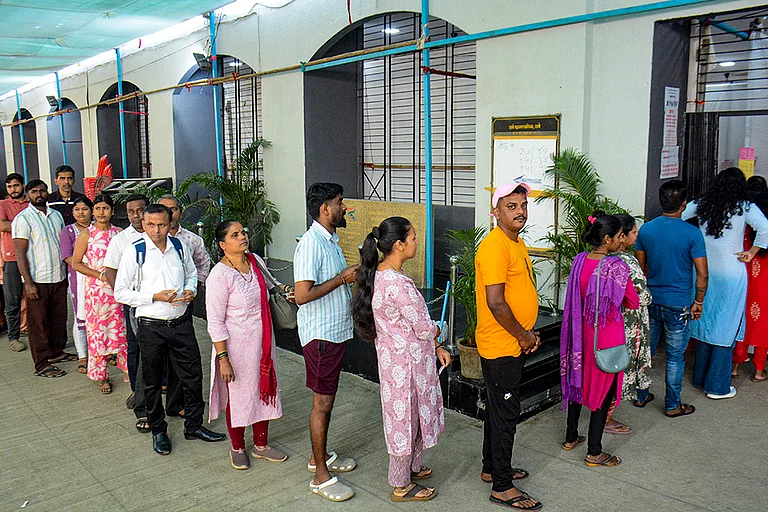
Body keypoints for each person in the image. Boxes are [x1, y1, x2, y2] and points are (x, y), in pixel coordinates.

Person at [113, 204, 226, 455]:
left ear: (170, 222)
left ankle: (194, 425)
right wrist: (154, 297)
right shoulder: (135, 251)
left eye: (161, 224)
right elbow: (120, 292)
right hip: (151, 325)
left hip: (181, 323)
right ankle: (158, 430)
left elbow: (190, 274)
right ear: (143, 223)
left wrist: (191, 290)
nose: (156, 230)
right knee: (152, 381)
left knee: (192, 375)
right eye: (150, 224)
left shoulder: (178, 246)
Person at [352, 217, 450, 503]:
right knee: (404, 422)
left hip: (398, 363)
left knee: (410, 418)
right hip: (407, 366)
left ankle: (412, 467)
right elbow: (422, 325)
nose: (417, 242)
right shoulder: (397, 284)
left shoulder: (380, 274)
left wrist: (434, 343)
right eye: (414, 237)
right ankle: (400, 484)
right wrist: (439, 330)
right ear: (399, 244)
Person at [475, 182, 541, 511]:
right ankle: (502, 486)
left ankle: (492, 467)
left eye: (522, 205)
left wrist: (527, 332)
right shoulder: (494, 247)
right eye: (511, 206)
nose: (520, 212)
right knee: (506, 414)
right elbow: (496, 303)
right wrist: (524, 335)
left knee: (498, 411)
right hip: (502, 344)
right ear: (496, 211)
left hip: (513, 341)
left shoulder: (516, 243)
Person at [293, 182, 358, 502]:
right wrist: (341, 279)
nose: (344, 207)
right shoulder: (311, 244)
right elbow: (302, 296)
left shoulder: (330, 240)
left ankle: (320, 455)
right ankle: (320, 475)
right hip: (321, 337)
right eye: (340, 202)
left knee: (326, 401)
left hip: (335, 332)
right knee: (322, 404)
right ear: (325, 209)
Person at [206, 220, 287, 470]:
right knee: (240, 396)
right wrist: (223, 358)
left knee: (264, 391)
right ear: (222, 244)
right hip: (235, 347)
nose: (242, 237)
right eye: (235, 235)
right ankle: (238, 447)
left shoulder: (255, 261)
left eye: (243, 233)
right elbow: (215, 321)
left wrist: (290, 290)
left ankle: (261, 445)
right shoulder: (219, 275)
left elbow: (272, 284)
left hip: (262, 343)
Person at [682, 168, 768, 399]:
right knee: (726, 326)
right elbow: (765, 228)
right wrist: (751, 252)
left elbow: (678, 216)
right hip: (731, 273)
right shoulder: (744, 207)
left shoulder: (702, 203)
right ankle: (718, 386)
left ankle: (700, 378)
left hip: (703, 271)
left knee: (704, 321)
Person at [561, 212, 638, 468]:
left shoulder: (580, 260)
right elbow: (632, 301)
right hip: (605, 338)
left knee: (577, 384)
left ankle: (571, 437)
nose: (621, 241)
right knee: (602, 394)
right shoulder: (616, 267)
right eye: (618, 237)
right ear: (607, 239)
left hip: (579, 335)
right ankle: (595, 452)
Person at [635, 180, 708, 416]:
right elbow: (702, 274)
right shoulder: (692, 234)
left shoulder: (646, 229)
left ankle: (641, 395)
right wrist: (698, 302)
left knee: (647, 350)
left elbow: (640, 268)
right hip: (678, 303)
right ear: (684, 205)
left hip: (651, 300)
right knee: (675, 358)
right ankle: (672, 405)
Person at [12, 179, 73, 377]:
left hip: (58, 276)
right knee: (37, 323)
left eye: (43, 191)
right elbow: (20, 254)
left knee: (58, 319)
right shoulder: (23, 219)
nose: (39, 194)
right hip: (37, 279)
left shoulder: (56, 216)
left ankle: (56, 352)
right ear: (28, 194)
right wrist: (28, 283)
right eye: (35, 191)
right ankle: (41, 364)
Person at [158, 194, 211, 418]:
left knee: (183, 358)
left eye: (174, 209)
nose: (170, 213)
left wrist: (194, 288)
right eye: (164, 209)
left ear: (180, 212)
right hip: (155, 309)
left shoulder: (191, 240)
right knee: (154, 358)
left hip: (183, 306)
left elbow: (203, 265)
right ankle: (145, 404)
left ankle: (178, 403)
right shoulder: (145, 241)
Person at [72, 194, 128, 394]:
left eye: (105, 208)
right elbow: (76, 263)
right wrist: (100, 275)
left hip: (118, 289)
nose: (101, 212)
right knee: (97, 333)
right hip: (96, 292)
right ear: (93, 211)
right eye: (98, 208)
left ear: (112, 210)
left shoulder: (119, 233)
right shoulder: (87, 234)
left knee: (121, 330)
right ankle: (102, 376)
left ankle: (127, 369)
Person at [603, 214, 653, 436]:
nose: (637, 236)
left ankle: (605, 415)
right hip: (629, 325)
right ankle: (607, 418)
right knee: (619, 370)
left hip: (612, 323)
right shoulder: (628, 262)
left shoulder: (601, 258)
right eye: (634, 232)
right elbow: (642, 297)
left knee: (611, 369)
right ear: (621, 237)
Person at [104, 194, 147, 415]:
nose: (136, 216)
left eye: (140, 210)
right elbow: (110, 271)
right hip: (133, 304)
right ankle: (137, 391)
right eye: (131, 211)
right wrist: (123, 296)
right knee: (135, 346)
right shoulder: (121, 240)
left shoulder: (158, 233)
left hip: (157, 302)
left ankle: (162, 384)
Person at [733, 175, 768, 382]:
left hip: (744, 276)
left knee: (741, 318)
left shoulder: (743, 221)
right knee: (763, 321)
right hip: (764, 281)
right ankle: (758, 370)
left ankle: (735, 366)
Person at [60, 196, 93, 374]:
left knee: (102, 315)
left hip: (99, 278)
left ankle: (106, 352)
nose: (81, 213)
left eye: (85, 209)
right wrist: (86, 266)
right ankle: (83, 356)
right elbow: (67, 256)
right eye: (77, 209)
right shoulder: (68, 231)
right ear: (72, 212)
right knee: (81, 316)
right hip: (79, 277)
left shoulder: (98, 228)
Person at [0, 173, 29, 352]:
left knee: (34, 296)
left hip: (32, 256)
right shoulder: (3, 204)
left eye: (16, 186)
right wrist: (27, 224)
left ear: (23, 186)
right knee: (12, 299)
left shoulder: (30, 203)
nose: (13, 190)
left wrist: (14, 223)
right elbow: (2, 226)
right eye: (10, 187)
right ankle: (13, 337)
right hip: (11, 258)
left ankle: (31, 330)